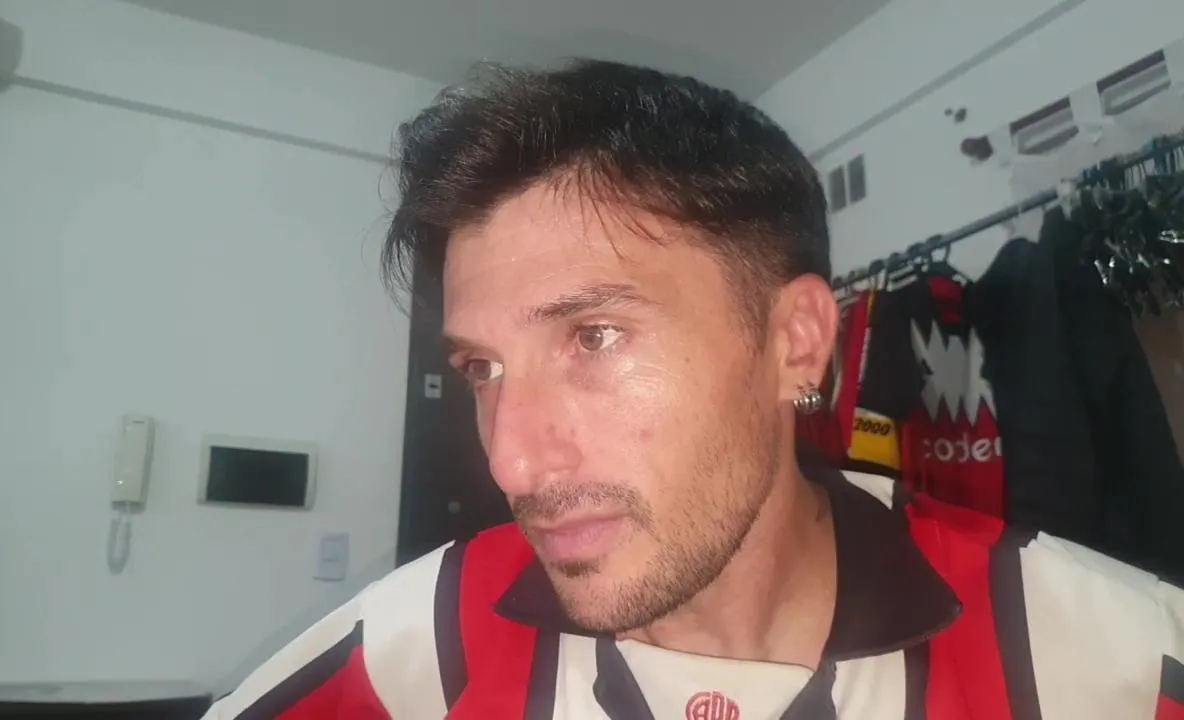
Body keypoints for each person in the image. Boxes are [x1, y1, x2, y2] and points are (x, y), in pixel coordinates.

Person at [203, 60, 1184, 720]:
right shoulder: (427, 643)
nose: (512, 460)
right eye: (482, 370)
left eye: (594, 336)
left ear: (796, 344)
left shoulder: (1098, 659)